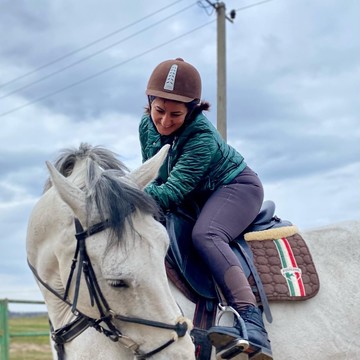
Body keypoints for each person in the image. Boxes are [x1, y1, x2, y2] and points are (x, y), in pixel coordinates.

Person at [139, 57, 272, 359]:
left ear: (193, 110)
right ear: (150, 103)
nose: (164, 121)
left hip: (235, 187)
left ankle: (253, 324)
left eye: (176, 114)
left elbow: (172, 191)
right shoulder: (146, 125)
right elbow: (154, 174)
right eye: (159, 111)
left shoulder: (201, 136)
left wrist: (127, 199)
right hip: (196, 195)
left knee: (206, 235)